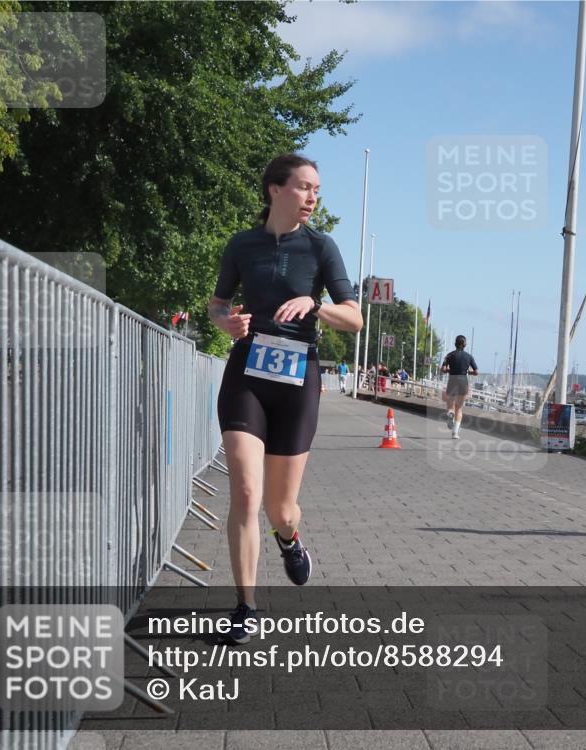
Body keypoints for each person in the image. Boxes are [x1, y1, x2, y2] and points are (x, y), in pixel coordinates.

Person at [209, 153, 363, 643]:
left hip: (298, 378)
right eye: (304, 187)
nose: (313, 197)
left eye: (317, 189)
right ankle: (246, 606)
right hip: (247, 372)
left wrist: (317, 306)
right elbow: (217, 303)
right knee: (245, 492)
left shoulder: (321, 247)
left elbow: (355, 317)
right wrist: (226, 322)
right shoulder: (242, 245)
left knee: (281, 509)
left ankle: (289, 539)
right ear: (275, 189)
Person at [441, 335, 479, 439]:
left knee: (451, 406)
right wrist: (469, 372)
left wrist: (449, 370)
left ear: (455, 343)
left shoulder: (449, 355)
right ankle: (455, 433)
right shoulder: (469, 356)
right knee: (459, 408)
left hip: (452, 380)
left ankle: (450, 413)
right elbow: (476, 372)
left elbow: (443, 369)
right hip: (463, 381)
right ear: (464, 344)